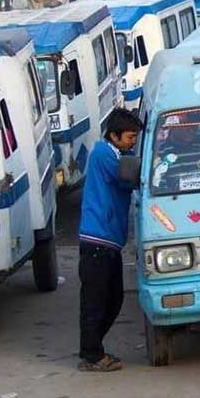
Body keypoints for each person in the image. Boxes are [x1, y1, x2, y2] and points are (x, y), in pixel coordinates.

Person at [77, 109, 143, 372]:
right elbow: (129, 178)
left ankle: (92, 349)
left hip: (109, 241)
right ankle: (91, 354)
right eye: (130, 137)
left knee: (113, 300)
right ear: (114, 135)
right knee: (96, 302)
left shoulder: (117, 153)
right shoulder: (104, 154)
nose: (133, 142)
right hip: (97, 240)